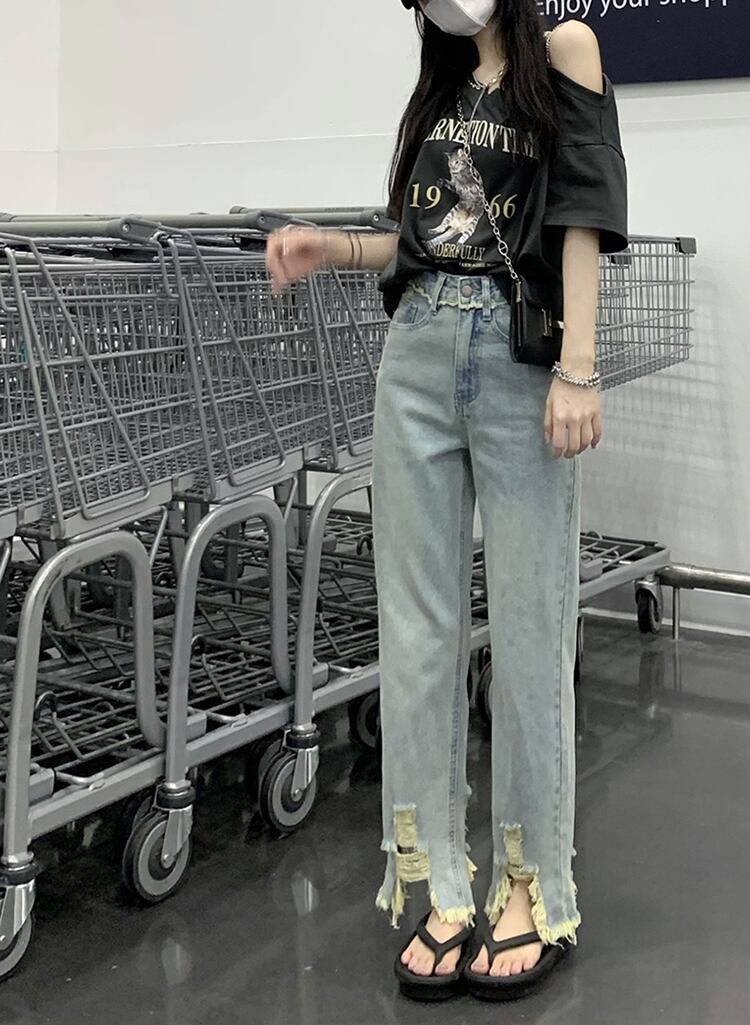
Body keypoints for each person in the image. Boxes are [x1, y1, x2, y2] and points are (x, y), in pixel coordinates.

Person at [266, 0, 628, 1003]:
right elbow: (421, 240)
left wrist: (581, 366)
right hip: (416, 353)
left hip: (517, 356)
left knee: (529, 624)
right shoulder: (438, 87)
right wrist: (332, 248)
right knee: (418, 632)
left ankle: (532, 884)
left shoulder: (565, 49)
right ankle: (442, 883)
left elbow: (583, 208)